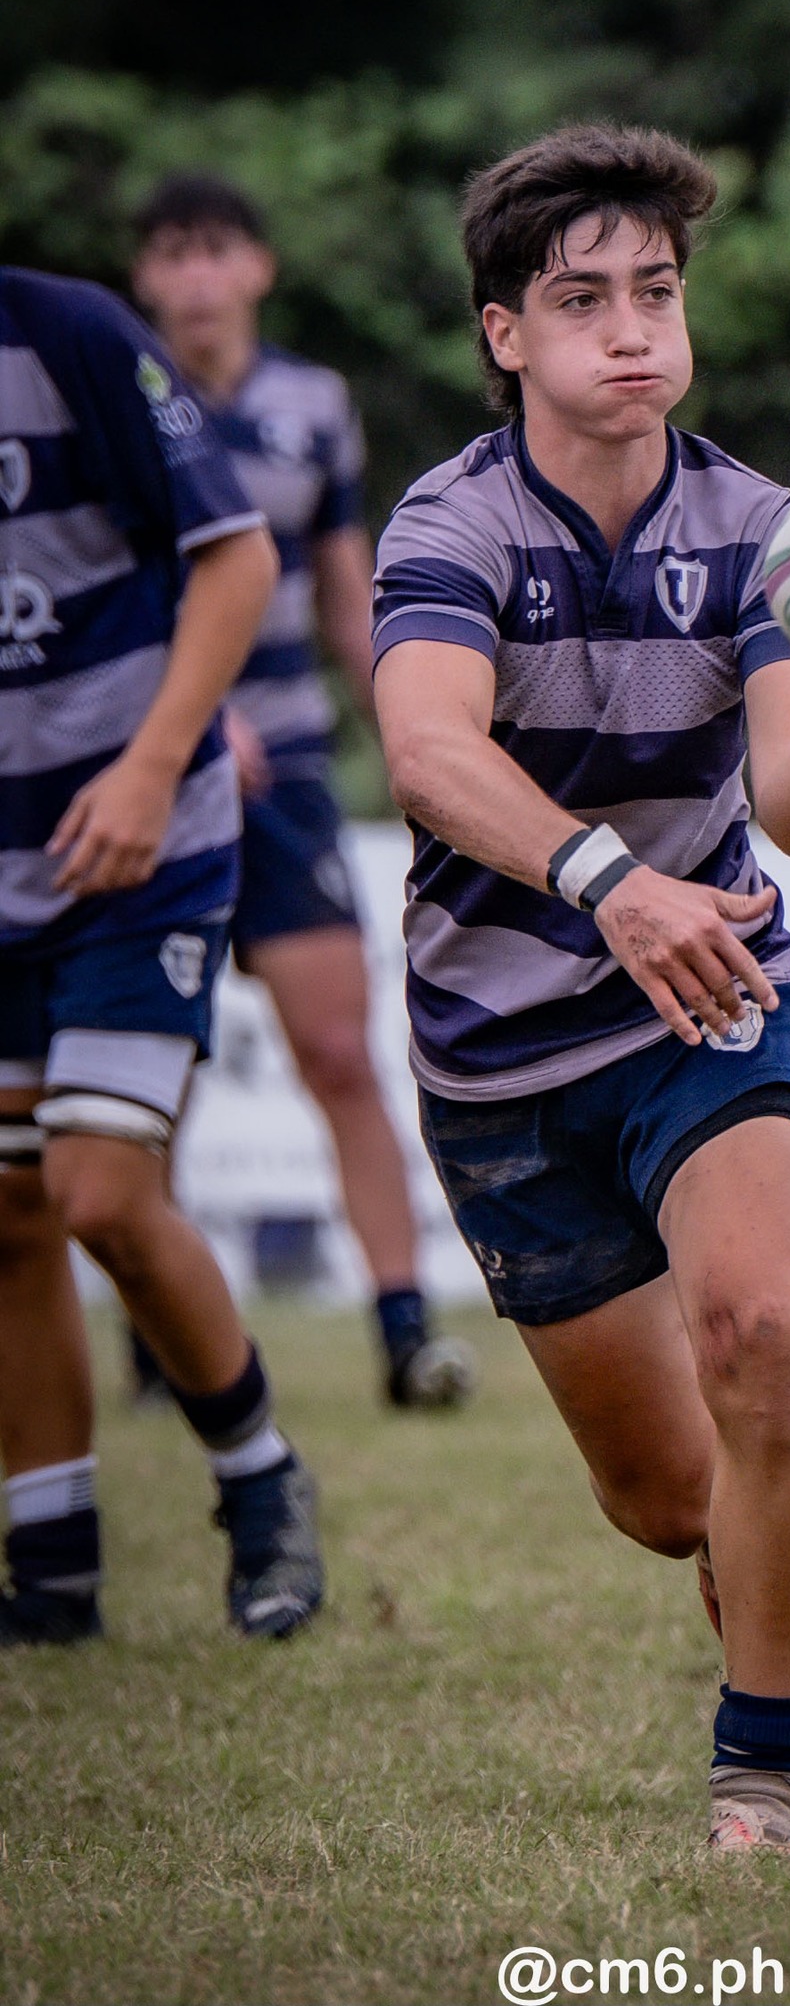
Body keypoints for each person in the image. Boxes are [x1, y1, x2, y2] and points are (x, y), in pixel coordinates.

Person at [371, 123, 790, 1849]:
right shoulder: (451, 522)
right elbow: (430, 751)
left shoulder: (758, 529)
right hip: (497, 1047)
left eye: (654, 291)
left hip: (709, 999)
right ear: (502, 333)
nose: (628, 328)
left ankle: (763, 1763)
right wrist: (610, 879)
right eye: (579, 297)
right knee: (672, 1496)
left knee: (768, 1338)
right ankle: (759, 1588)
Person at [0, 264, 323, 1642]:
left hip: (142, 844)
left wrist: (147, 769)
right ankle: (54, 1570)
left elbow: (238, 554)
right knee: (8, 1216)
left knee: (101, 1193)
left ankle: (263, 1487)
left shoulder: (64, 332)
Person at [130, 174, 475, 1410]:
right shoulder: (119, 397)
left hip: (287, 775)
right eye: (172, 254)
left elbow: (342, 577)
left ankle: (401, 1329)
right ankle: (161, 1336)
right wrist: (182, 714)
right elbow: (104, 594)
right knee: (148, 1066)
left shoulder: (311, 406)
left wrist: (402, 709)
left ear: (260, 268)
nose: (197, 276)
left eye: (218, 249)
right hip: (147, 775)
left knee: (339, 1049)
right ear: (144, 279)